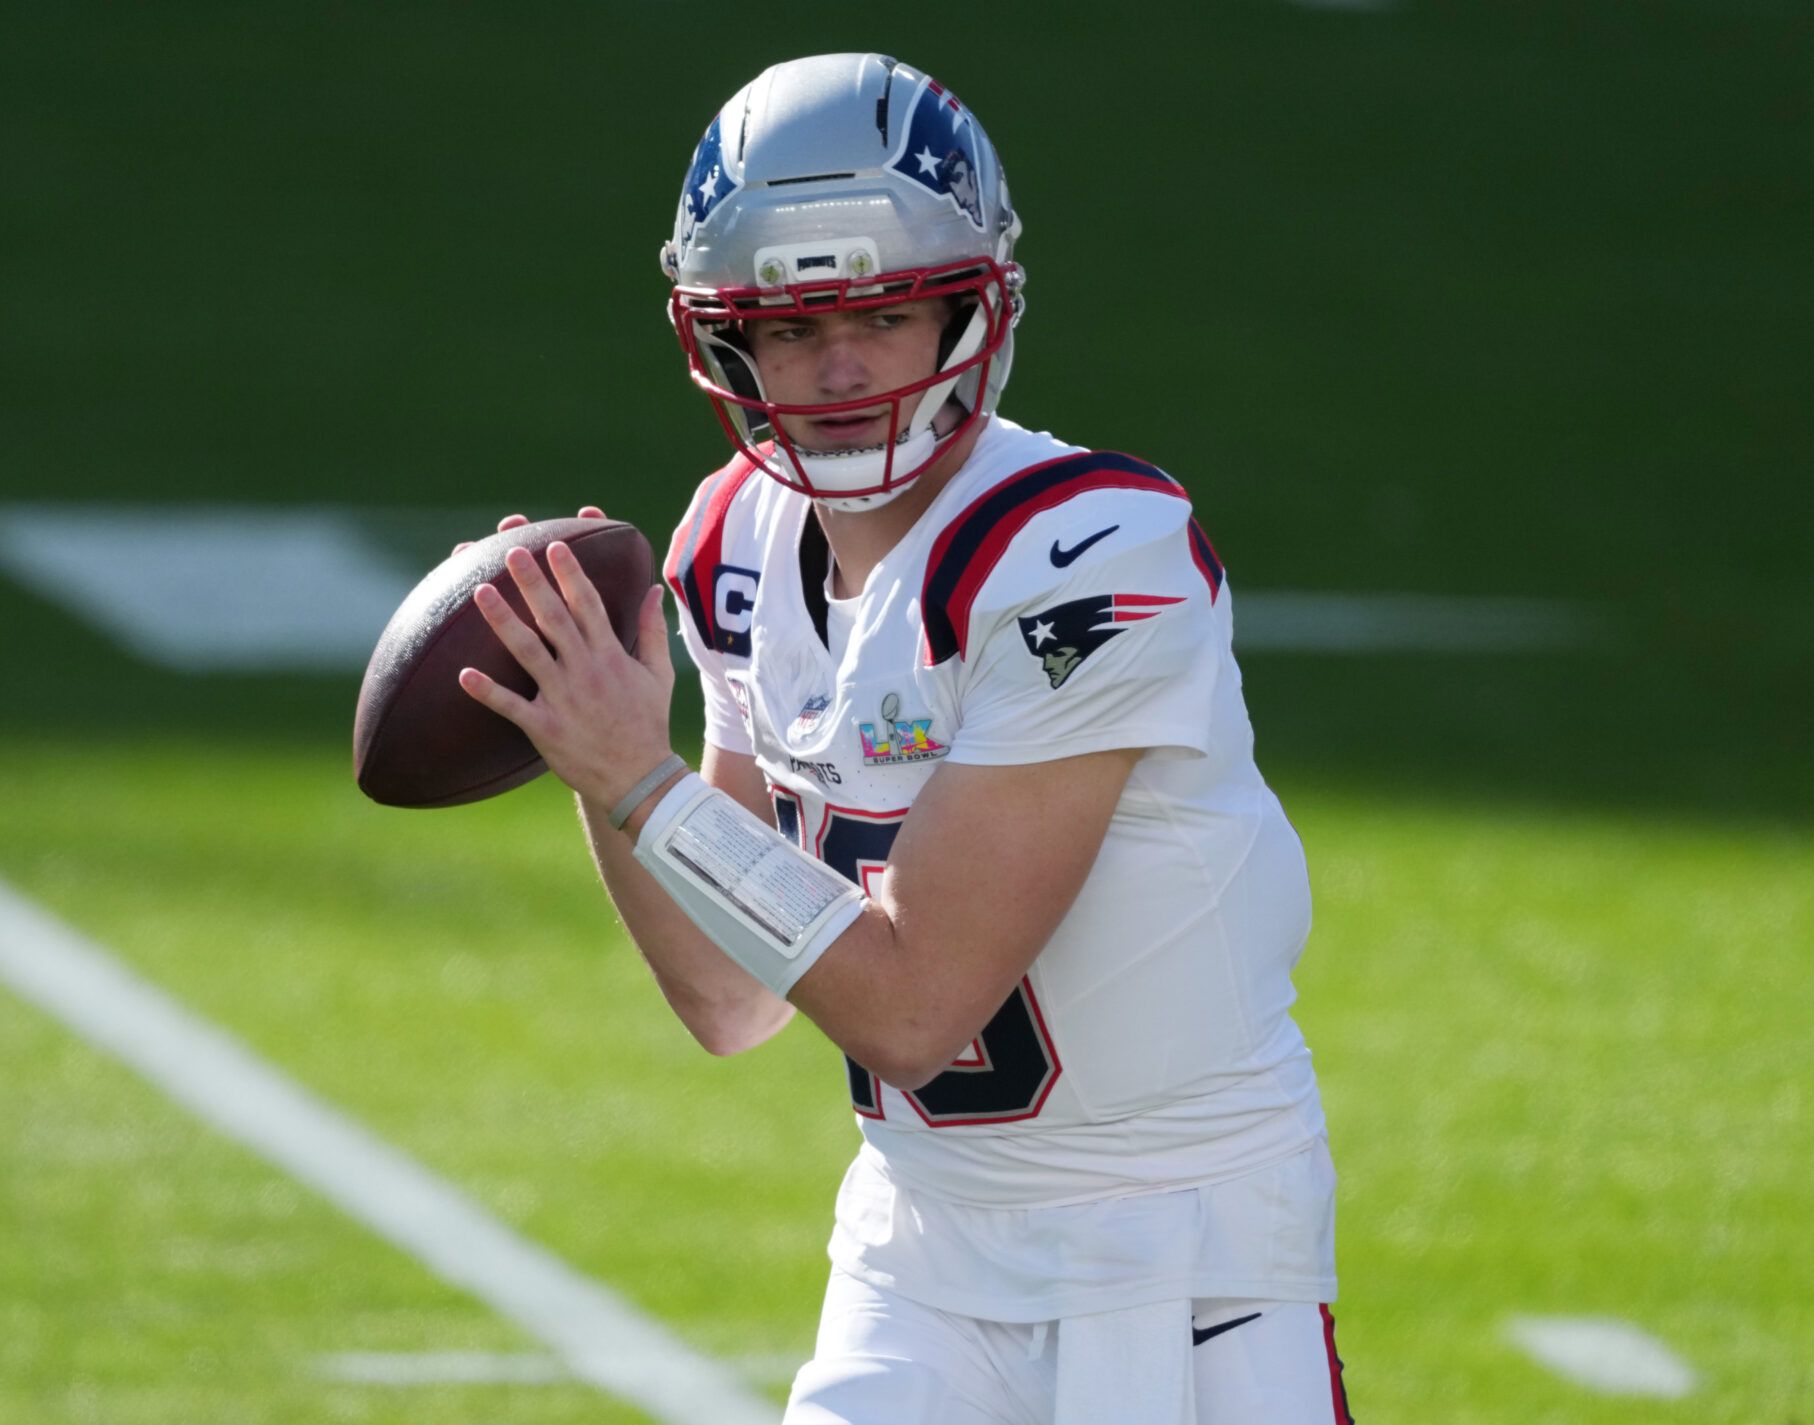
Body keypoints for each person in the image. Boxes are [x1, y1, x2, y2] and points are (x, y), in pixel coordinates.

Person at [459, 53, 1354, 1425]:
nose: (837, 366)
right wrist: (600, 750)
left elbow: (919, 1008)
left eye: (882, 311)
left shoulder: (1093, 556)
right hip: (918, 1252)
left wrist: (640, 777)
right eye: (789, 319)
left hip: (1176, 1256)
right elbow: (726, 992)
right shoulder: (737, 545)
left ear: (966, 308)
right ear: (725, 338)